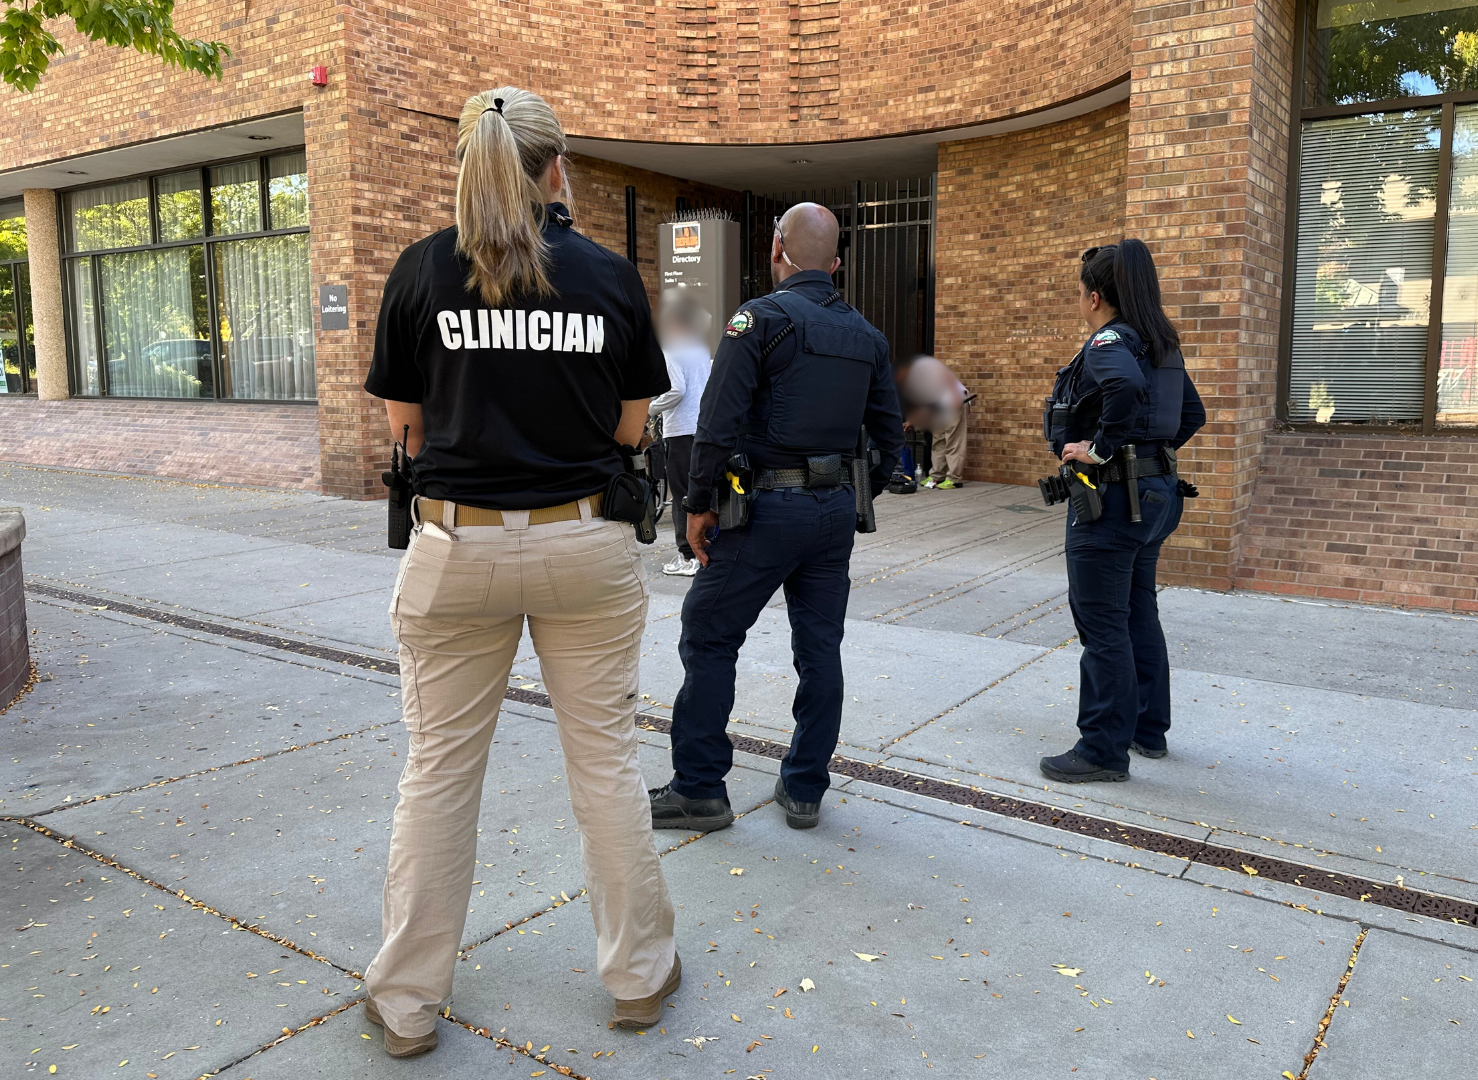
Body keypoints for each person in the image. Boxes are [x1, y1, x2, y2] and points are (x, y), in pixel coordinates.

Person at [361, 86, 680, 1056]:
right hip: (583, 542)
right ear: (557, 170)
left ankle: (407, 1001)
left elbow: (406, 429)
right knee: (607, 765)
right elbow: (631, 427)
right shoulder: (607, 276)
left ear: (464, 163)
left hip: (456, 546)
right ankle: (638, 976)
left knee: (437, 773)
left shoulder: (420, 270)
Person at [647, 202, 905, 832]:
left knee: (708, 633)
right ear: (836, 263)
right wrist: (848, 487)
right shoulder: (867, 336)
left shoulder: (758, 320)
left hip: (764, 511)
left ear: (775, 249)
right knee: (820, 649)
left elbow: (716, 424)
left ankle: (699, 789)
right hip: (832, 513)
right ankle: (805, 787)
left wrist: (697, 505)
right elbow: (890, 439)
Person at [1039, 239, 1206, 784]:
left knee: (1103, 624)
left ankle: (1102, 750)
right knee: (1137, 611)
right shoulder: (1161, 343)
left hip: (1111, 503)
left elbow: (1124, 386)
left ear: (1093, 297)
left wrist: (1102, 450)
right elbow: (1193, 414)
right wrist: (1150, 458)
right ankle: (1147, 730)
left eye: (1078, 293)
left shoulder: (1109, 341)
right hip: (1156, 498)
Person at [649, 291, 713, 576]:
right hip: (703, 427)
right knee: (702, 491)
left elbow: (675, 389)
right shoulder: (699, 348)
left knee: (681, 495)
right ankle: (705, 550)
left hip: (680, 430)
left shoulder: (671, 347)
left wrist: (650, 409)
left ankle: (687, 556)